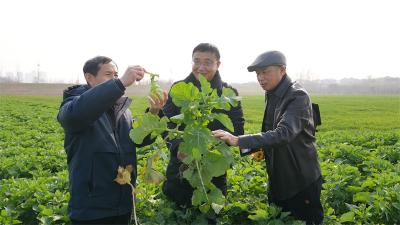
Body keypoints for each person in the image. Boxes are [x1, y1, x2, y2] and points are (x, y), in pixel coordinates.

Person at [212, 51, 323, 224]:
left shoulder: (297, 96)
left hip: (300, 181)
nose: (260, 78)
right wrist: (256, 149)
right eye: (258, 74)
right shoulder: (273, 93)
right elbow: (269, 128)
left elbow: (284, 133)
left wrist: (239, 140)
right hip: (278, 178)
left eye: (265, 72)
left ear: (282, 70)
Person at [57, 56, 168, 224]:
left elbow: (138, 140)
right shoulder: (73, 106)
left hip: (122, 204)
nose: (115, 78)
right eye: (109, 74)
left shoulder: (122, 111)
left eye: (116, 75)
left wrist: (153, 113)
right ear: (89, 78)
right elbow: (77, 114)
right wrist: (121, 83)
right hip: (91, 209)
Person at [162, 43, 245, 210]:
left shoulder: (228, 93)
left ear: (218, 64)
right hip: (180, 169)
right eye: (196, 61)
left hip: (213, 169)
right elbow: (168, 125)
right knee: (178, 210)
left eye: (207, 62)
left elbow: (237, 129)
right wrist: (179, 148)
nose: (201, 67)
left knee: (210, 211)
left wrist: (212, 143)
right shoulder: (179, 88)